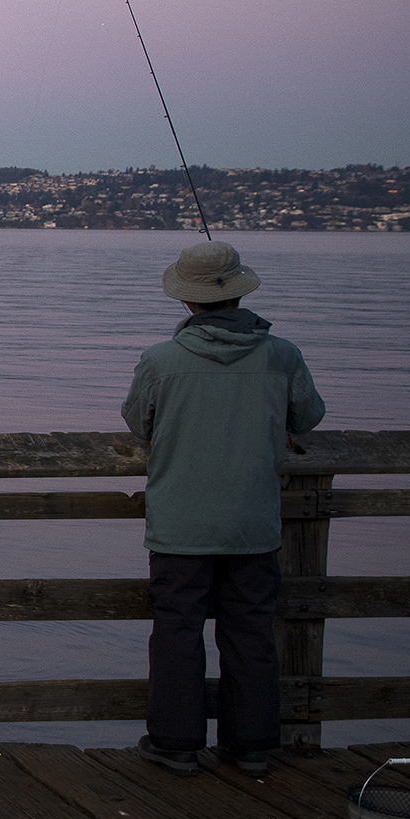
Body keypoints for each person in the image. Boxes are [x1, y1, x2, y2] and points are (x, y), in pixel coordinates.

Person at [121, 240, 325, 778]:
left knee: (177, 631)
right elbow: (307, 417)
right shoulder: (281, 355)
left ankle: (175, 743)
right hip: (254, 523)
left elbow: (140, 423)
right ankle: (251, 745)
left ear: (187, 301)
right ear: (238, 293)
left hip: (179, 524)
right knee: (251, 631)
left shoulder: (161, 360)